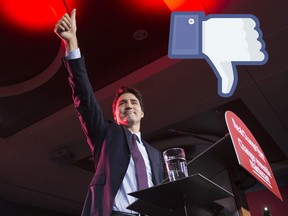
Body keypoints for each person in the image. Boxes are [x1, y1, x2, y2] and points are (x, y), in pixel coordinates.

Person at [54, 9, 165, 216]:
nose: (129, 105)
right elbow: (85, 99)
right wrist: (72, 44)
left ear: (142, 113)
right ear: (115, 115)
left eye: (133, 102)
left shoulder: (157, 156)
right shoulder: (106, 134)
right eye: (122, 104)